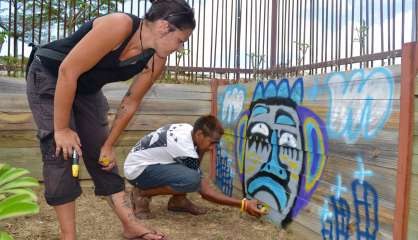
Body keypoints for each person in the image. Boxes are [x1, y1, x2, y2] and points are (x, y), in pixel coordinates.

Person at [25, 0, 195, 239]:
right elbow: (68, 71)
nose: (179, 47)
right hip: (51, 74)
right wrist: (62, 128)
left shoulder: (156, 60)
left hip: (86, 88)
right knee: (61, 148)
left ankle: (129, 224)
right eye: (180, 40)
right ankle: (68, 235)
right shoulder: (119, 25)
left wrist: (108, 145)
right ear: (164, 27)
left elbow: (130, 102)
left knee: (103, 156)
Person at [124, 115, 267, 220]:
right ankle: (142, 193)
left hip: (147, 163)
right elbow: (204, 190)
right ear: (199, 134)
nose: (212, 148)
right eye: (212, 143)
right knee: (192, 179)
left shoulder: (189, 131)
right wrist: (243, 204)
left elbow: (193, 162)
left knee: (190, 173)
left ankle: (178, 201)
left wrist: (203, 147)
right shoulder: (184, 147)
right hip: (137, 170)